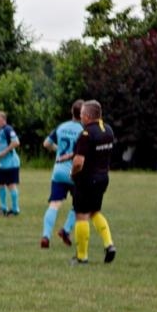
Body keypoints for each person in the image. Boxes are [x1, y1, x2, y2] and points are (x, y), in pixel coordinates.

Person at [70, 99, 117, 266]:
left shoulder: (86, 134)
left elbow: (78, 162)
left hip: (87, 179)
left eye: (82, 114)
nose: (80, 117)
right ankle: (109, 244)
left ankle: (82, 257)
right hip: (103, 177)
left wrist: (72, 173)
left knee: (81, 215)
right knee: (95, 211)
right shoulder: (108, 130)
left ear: (89, 116)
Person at [40, 100, 82, 249]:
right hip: (76, 172)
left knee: (54, 204)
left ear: (72, 111)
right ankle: (65, 230)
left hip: (58, 171)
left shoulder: (62, 126)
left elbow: (46, 143)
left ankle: (45, 236)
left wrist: (58, 150)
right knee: (79, 205)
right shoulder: (84, 130)